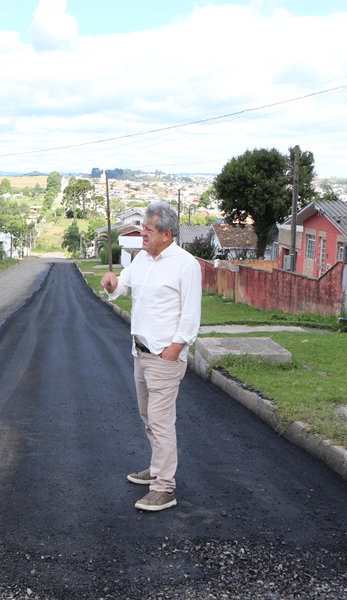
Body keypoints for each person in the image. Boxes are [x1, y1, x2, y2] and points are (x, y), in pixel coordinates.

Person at [101, 202, 201, 512]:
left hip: (164, 356)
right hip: (140, 352)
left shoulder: (186, 265)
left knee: (161, 422)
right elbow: (124, 286)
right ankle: (157, 467)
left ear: (167, 234)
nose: (142, 232)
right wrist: (113, 285)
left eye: (148, 229)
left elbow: (191, 312)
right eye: (143, 227)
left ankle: (164, 488)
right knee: (148, 417)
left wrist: (176, 347)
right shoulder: (142, 258)